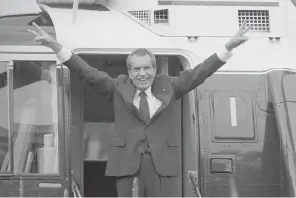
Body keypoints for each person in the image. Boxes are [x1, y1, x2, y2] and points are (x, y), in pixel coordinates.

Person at [28, 21, 250, 197]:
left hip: (164, 167)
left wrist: (228, 47)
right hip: (127, 166)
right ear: (129, 71)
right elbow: (87, 72)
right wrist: (56, 46)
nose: (142, 74)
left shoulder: (170, 85)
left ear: (154, 69)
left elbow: (200, 73)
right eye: (137, 69)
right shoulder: (117, 86)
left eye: (146, 68)